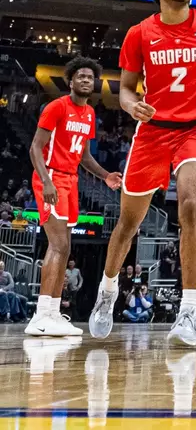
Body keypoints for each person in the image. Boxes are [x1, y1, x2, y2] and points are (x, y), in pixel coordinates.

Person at [88, 0, 196, 347]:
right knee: (128, 224)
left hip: (195, 129)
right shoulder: (140, 33)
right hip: (152, 132)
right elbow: (124, 88)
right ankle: (107, 292)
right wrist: (128, 105)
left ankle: (189, 311)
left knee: (190, 205)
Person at [26, 57, 121, 337]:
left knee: (65, 248)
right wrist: (46, 182)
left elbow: (85, 156)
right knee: (56, 245)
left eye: (89, 78)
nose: (85, 80)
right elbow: (35, 148)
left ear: (94, 84)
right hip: (51, 177)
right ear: (70, 81)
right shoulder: (56, 107)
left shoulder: (90, 113)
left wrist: (105, 176)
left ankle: (54, 313)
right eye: (80, 76)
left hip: (71, 180)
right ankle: (41, 315)